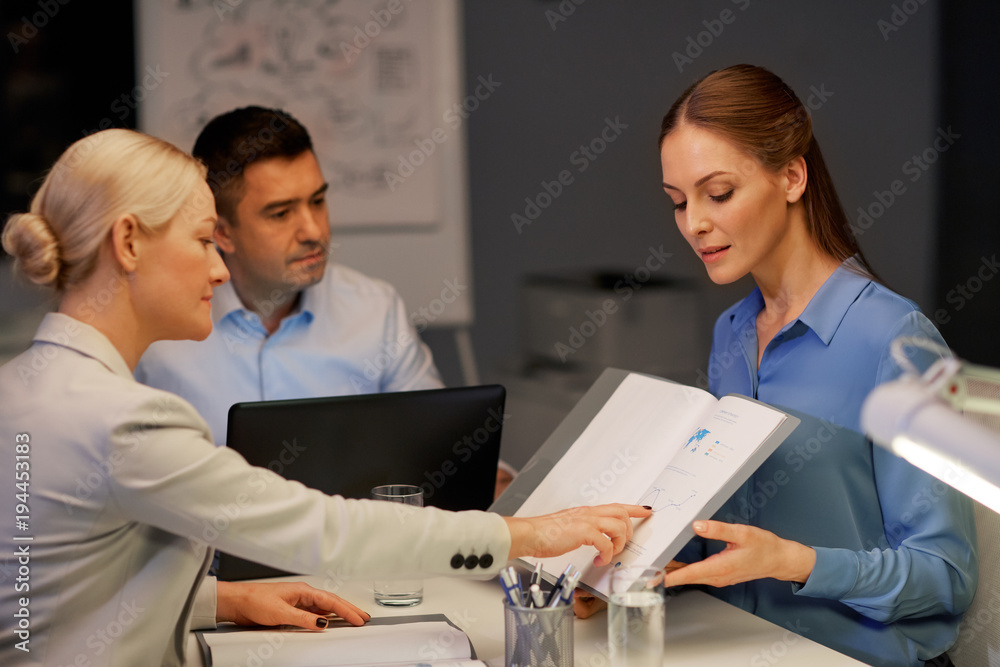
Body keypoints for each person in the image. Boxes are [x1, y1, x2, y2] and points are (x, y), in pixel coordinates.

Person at [0, 128, 651, 667]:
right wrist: (533, 534)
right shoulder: (125, 422)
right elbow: (328, 529)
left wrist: (222, 600)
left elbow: (51, 597)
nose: (218, 268)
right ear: (129, 242)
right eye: (203, 240)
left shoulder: (21, 386)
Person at [577, 65, 978, 667]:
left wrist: (795, 562)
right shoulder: (732, 334)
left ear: (791, 176)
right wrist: (632, 575)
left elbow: (946, 577)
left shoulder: (896, 342)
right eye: (679, 202)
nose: (695, 224)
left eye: (718, 194)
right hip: (737, 647)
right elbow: (740, 537)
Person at [133, 105, 514, 497]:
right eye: (281, 213)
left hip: (350, 552)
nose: (314, 230)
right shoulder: (158, 331)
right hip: (205, 555)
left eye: (317, 201)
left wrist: (501, 484)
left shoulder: (373, 310)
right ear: (223, 233)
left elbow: (442, 447)